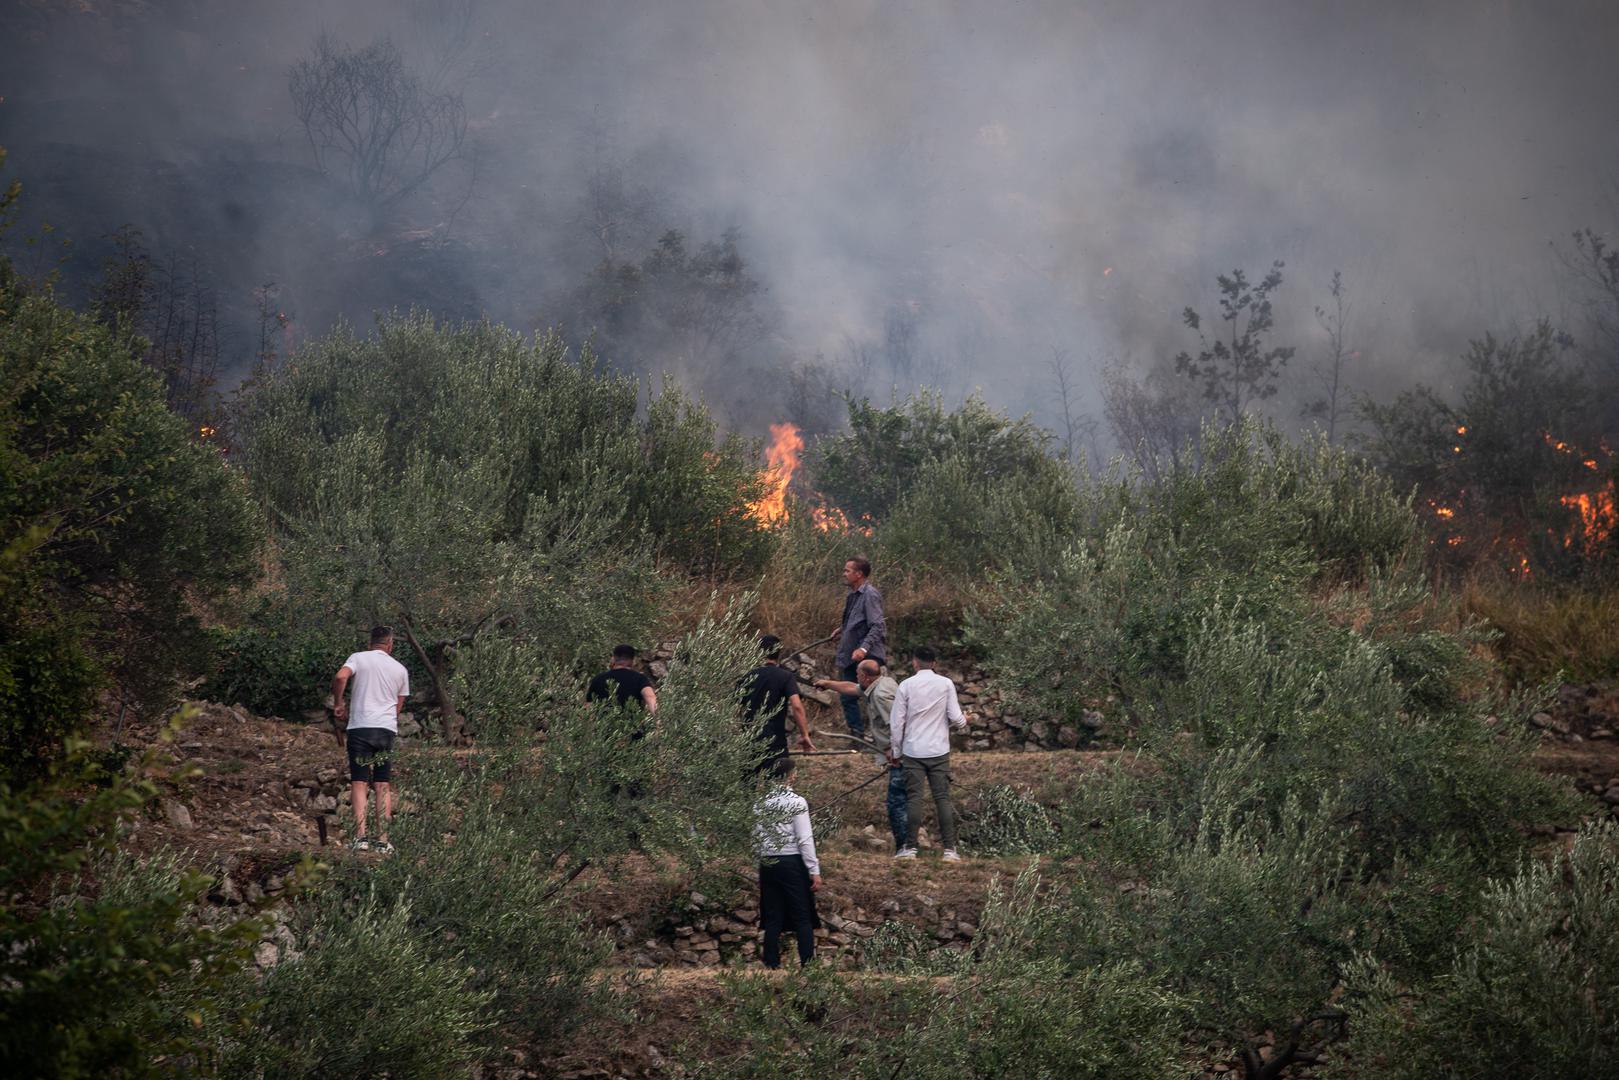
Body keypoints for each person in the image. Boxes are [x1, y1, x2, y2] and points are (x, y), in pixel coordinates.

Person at [331, 625, 410, 854]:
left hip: (360, 729)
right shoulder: (400, 669)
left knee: (359, 782)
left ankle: (361, 838)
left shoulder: (358, 658)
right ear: (390, 644)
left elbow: (340, 676)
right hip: (385, 731)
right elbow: (398, 707)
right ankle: (383, 841)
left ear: (370, 643)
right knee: (382, 784)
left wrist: (339, 703)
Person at [814, 659, 905, 852]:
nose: (856, 677)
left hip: (901, 756)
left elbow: (897, 724)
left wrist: (892, 750)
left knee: (896, 802)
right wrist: (828, 684)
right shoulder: (882, 682)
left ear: (865, 676)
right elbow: (852, 688)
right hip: (899, 752)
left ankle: (904, 847)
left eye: (857, 674)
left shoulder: (880, 695)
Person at [888, 644, 968, 862]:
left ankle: (910, 848)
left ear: (914, 662)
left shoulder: (906, 685)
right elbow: (956, 719)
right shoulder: (945, 684)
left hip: (913, 750)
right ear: (934, 663)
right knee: (942, 798)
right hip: (939, 750)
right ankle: (950, 850)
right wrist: (965, 720)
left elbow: (897, 723)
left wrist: (896, 752)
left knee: (914, 798)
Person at [753, 756, 822, 969]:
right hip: (791, 861)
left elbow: (755, 837)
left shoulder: (760, 803)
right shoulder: (797, 802)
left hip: (767, 861)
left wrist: (760, 862)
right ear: (791, 776)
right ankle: (808, 965)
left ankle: (772, 964)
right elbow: (804, 838)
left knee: (773, 916)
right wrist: (814, 869)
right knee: (802, 916)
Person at [740, 635, 814, 771]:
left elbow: (735, 707)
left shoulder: (747, 676)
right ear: (778, 652)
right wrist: (805, 734)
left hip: (748, 741)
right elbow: (797, 706)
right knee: (777, 787)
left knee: (746, 787)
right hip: (775, 741)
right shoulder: (785, 676)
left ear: (758, 652)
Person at [833, 556, 886, 738]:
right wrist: (841, 630)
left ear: (859, 574)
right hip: (850, 655)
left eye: (847, 570)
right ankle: (857, 737)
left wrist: (863, 649)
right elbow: (856, 621)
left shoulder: (870, 595)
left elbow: (877, 625)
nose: (844, 574)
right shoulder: (852, 596)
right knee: (847, 696)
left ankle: (883, 737)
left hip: (867, 656)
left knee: (876, 696)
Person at [587, 643, 659, 717]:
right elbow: (650, 697)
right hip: (632, 727)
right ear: (633, 660)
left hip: (603, 727)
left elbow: (589, 707)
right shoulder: (640, 679)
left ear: (614, 658)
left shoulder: (598, 679)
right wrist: (658, 720)